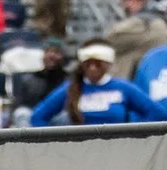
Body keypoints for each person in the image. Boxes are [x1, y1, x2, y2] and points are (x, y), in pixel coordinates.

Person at [30, 40, 159, 123]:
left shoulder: (123, 88)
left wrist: (136, 135)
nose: (92, 68)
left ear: (107, 64)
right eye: (88, 64)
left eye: (98, 64)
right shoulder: (71, 88)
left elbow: (156, 112)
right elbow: (38, 116)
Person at [105, 0, 167, 78]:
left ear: (136, 1)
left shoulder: (143, 23)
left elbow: (109, 40)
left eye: (125, 2)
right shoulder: (157, 21)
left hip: (134, 82)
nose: (123, 6)